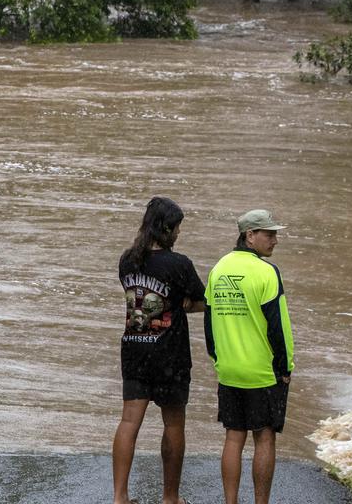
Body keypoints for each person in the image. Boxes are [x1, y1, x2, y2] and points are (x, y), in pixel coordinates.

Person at [112, 196, 205, 504]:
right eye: (177, 228)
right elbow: (203, 302)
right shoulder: (179, 264)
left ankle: (120, 497)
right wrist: (187, 304)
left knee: (129, 422)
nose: (179, 233)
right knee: (174, 424)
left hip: (135, 348)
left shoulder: (128, 260)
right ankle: (170, 498)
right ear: (167, 228)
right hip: (170, 354)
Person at [205, 210, 295, 504]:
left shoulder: (218, 269)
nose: (275, 241)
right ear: (250, 236)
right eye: (269, 235)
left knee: (233, 437)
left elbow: (209, 324)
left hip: (229, 370)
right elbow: (278, 327)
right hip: (261, 372)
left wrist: (218, 360)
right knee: (264, 437)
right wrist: (284, 367)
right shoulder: (266, 272)